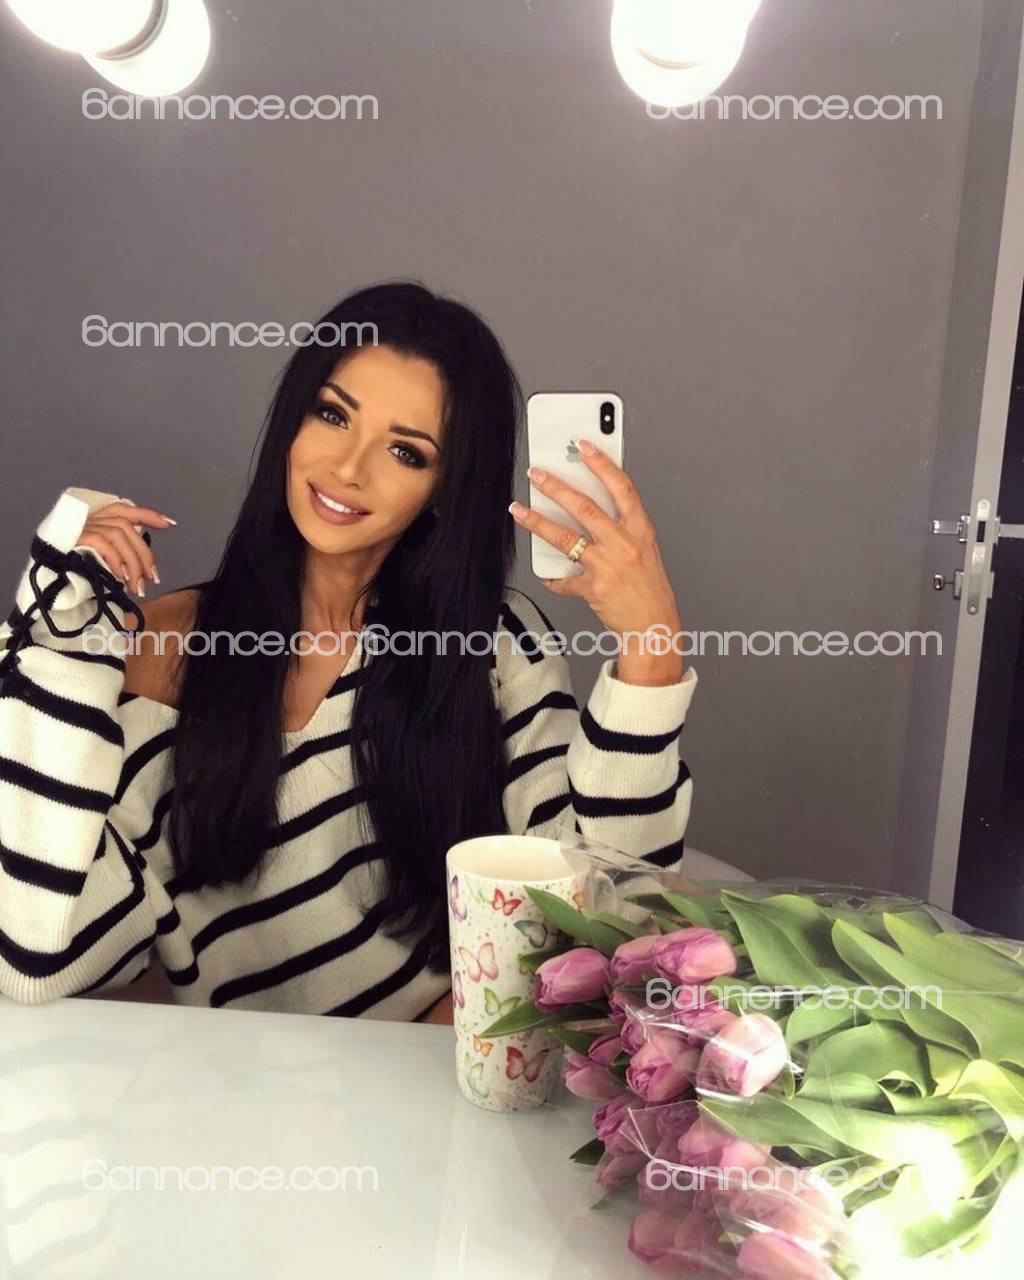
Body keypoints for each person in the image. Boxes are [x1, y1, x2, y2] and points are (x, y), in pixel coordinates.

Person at [0, 281, 697, 1020]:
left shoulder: (492, 645)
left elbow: (616, 912)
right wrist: (59, 633)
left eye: (405, 451)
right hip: (226, 1089)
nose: (349, 468)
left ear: (443, 490)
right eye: (332, 414)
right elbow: (39, 960)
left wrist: (650, 644)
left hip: (455, 1072)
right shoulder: (146, 661)